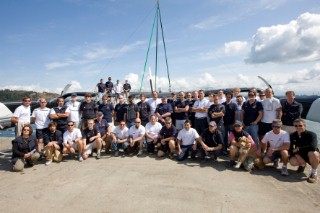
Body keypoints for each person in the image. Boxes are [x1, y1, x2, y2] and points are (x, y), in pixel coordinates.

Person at [289, 119, 319, 183]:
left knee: (314, 153)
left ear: (304, 125)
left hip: (310, 155)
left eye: (300, 125)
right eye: (296, 126)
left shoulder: (312, 134)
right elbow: (290, 149)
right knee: (292, 161)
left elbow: (313, 147)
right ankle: (302, 165)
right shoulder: (292, 135)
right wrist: (296, 155)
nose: (298, 127)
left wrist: (298, 149)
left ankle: (314, 173)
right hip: (300, 155)